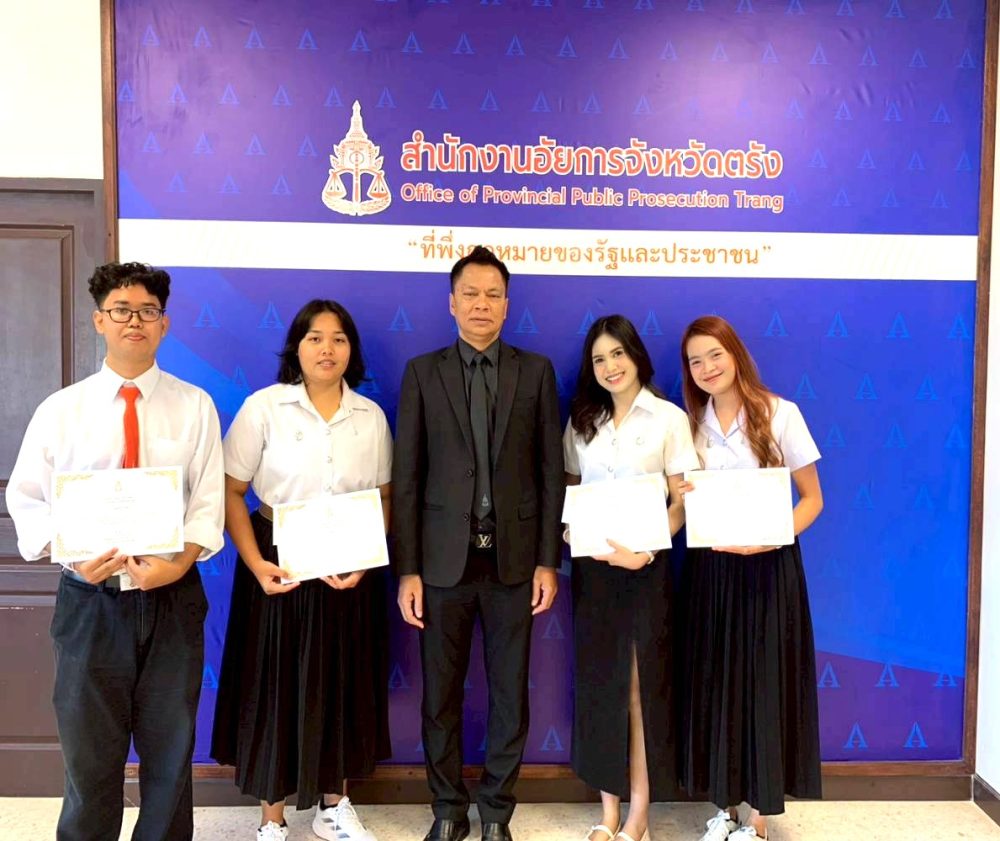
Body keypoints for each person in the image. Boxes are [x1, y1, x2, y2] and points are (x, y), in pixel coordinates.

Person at [6, 261, 225, 841]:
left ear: (164, 324)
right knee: (89, 755)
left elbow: (207, 501)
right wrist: (73, 556)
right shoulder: (61, 410)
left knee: (170, 751)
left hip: (172, 600)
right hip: (90, 600)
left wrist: (177, 564)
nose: (135, 321)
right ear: (99, 320)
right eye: (122, 310)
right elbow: (26, 499)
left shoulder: (194, 406)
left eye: (148, 311)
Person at [392, 246, 564, 841]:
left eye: (493, 294)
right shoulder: (422, 372)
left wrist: (548, 561)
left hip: (514, 564)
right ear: (452, 303)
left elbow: (550, 474)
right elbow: (408, 476)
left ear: (507, 305)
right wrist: (408, 570)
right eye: (470, 293)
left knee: (510, 694)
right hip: (441, 565)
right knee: (439, 696)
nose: (481, 304)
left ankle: (495, 814)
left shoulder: (535, 371)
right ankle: (447, 810)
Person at [210, 300, 391, 841]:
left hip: (348, 561)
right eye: (315, 338)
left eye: (338, 339)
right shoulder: (264, 408)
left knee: (341, 679)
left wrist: (365, 559)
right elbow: (231, 490)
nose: (327, 349)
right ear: (297, 347)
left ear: (351, 350)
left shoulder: (370, 416)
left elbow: (385, 496)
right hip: (278, 559)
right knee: (274, 681)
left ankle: (334, 807)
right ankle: (272, 817)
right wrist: (255, 563)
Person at [678, 315, 823, 841]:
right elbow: (681, 500)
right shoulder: (690, 425)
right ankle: (725, 808)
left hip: (768, 568)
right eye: (695, 361)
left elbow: (813, 500)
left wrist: (772, 536)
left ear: (735, 353)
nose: (707, 368)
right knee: (716, 683)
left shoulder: (781, 413)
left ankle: (758, 818)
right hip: (711, 571)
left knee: (763, 683)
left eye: (714, 354)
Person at [563, 315, 698, 841]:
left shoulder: (668, 419)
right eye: (599, 359)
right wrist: (572, 531)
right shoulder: (582, 421)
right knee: (602, 686)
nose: (610, 366)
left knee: (640, 688)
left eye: (617, 354)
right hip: (594, 571)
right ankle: (608, 813)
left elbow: (681, 501)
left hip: (647, 569)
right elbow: (570, 489)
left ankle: (639, 814)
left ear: (636, 355)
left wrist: (646, 550)